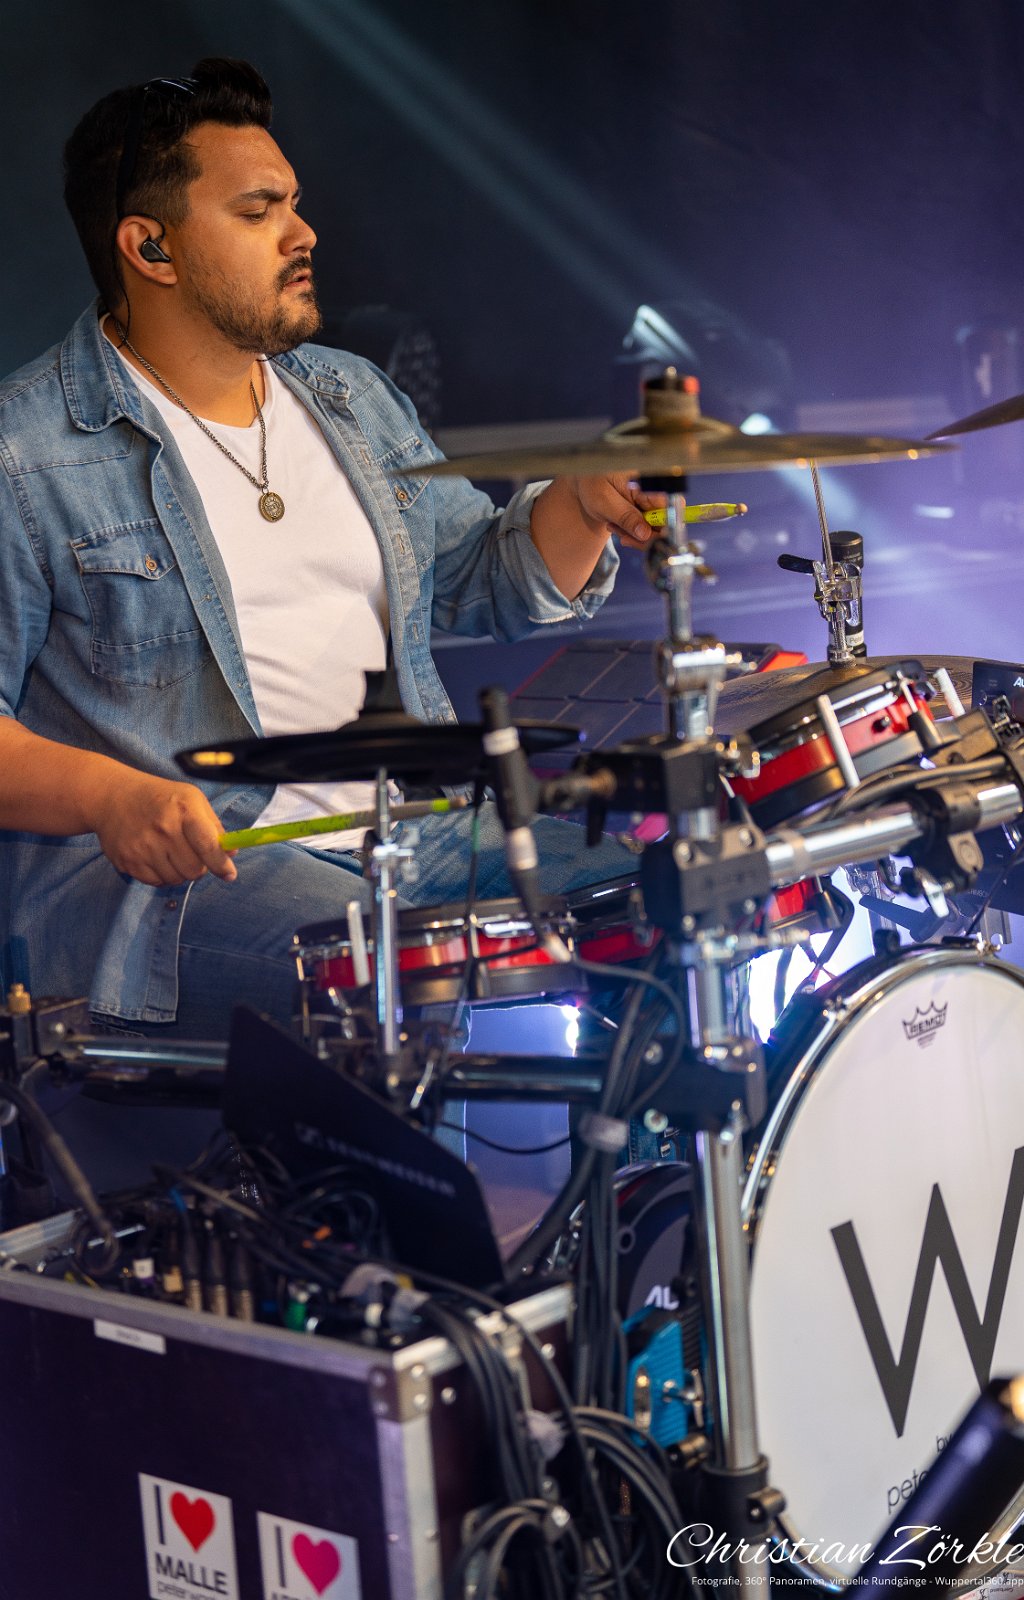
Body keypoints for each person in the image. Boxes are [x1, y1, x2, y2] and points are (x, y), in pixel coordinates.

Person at [0, 58, 662, 1042]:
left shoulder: (351, 397)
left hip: (417, 834)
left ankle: (641, 1148)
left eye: (293, 203)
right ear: (150, 247)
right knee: (398, 971)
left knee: (663, 910)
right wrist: (109, 795)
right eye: (258, 211)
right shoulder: (24, 455)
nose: (302, 233)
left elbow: (481, 582)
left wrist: (581, 503)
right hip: (187, 884)